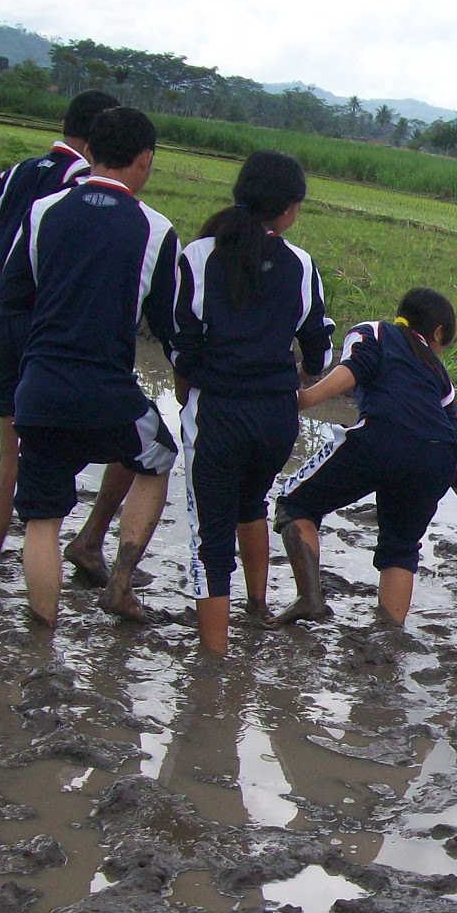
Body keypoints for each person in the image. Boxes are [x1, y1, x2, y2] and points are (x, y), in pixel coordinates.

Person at [0, 107, 181, 629]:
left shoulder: (43, 212)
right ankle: (120, 582)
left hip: (39, 389)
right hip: (107, 393)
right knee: (159, 456)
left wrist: (15, 389)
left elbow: (13, 300)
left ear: (90, 152)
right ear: (144, 160)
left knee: (42, 519)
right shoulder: (156, 230)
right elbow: (171, 330)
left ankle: (42, 635)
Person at [0, 90, 135, 583]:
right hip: (50, 329)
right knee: (129, 442)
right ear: (103, 139)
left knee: (9, 462)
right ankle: (89, 541)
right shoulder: (86, 183)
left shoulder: (15, 174)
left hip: (3, 321)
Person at [170, 151, 335, 654]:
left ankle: (214, 661)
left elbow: (181, 345)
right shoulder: (300, 265)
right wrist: (291, 380)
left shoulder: (198, 257)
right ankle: (258, 607)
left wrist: (195, 385)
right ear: (287, 209)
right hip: (274, 419)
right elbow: (319, 351)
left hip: (218, 414)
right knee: (252, 505)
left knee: (209, 540)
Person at [274, 287, 457, 625]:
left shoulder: (373, 331)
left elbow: (352, 369)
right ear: (437, 333)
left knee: (294, 505)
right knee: (401, 548)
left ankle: (310, 599)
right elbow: (454, 449)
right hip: (434, 462)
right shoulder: (440, 376)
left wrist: (304, 399)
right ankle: (390, 634)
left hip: (381, 439)